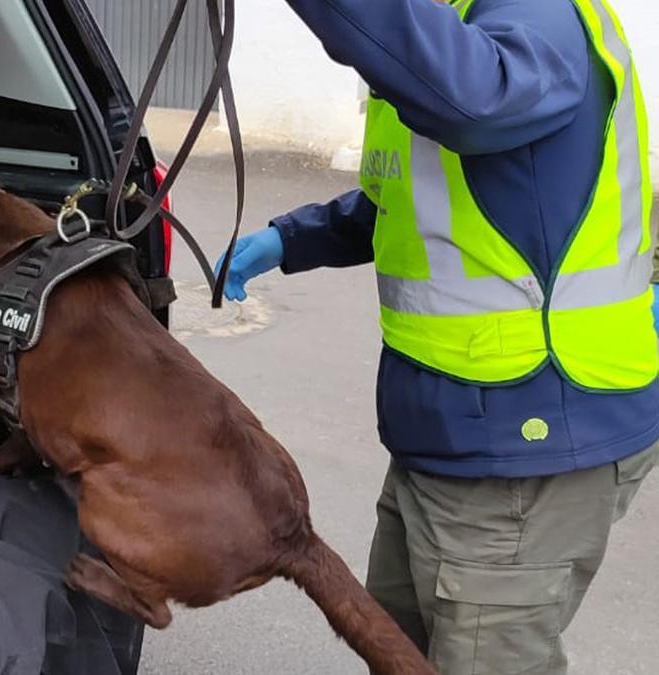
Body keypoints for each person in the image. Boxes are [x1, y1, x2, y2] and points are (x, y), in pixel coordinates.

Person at [219, 1, 658, 672]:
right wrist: (290, 239)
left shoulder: (541, 18)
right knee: (398, 647)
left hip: (526, 439)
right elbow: (407, 201)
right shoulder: (449, 26)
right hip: (449, 434)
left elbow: (475, 104)